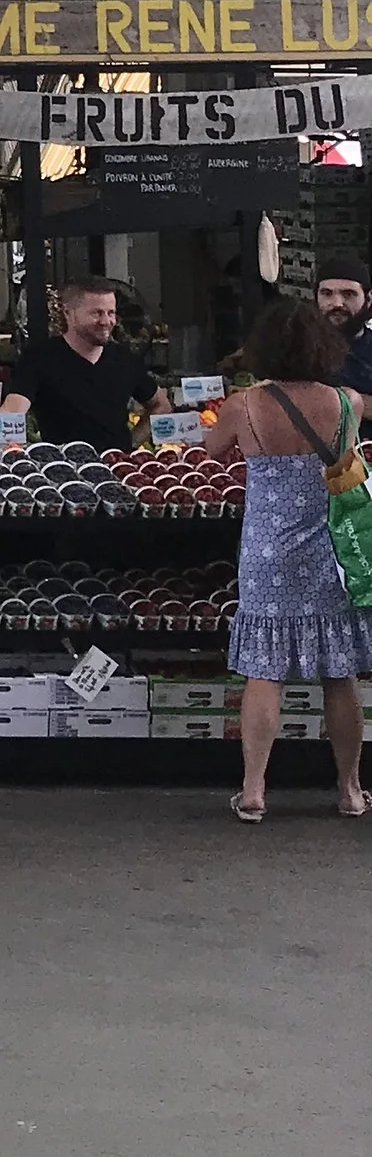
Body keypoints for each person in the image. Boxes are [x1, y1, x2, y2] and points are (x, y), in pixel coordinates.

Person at [216, 298, 372, 822]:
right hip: (330, 549)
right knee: (340, 674)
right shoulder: (346, 402)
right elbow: (347, 469)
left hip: (268, 552)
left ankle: (254, 789)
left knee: (264, 673)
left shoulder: (244, 405)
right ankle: (349, 789)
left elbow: (213, 451)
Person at [9, 281, 158, 451]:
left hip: (118, 468)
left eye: (111, 313)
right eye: (96, 313)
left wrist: (132, 443)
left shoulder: (125, 358)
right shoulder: (39, 358)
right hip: (63, 469)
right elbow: (13, 411)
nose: (106, 321)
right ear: (68, 313)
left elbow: (160, 405)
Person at [316, 270, 372, 402]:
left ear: (368, 299)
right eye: (327, 293)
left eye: (348, 294)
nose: (337, 303)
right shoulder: (296, 347)